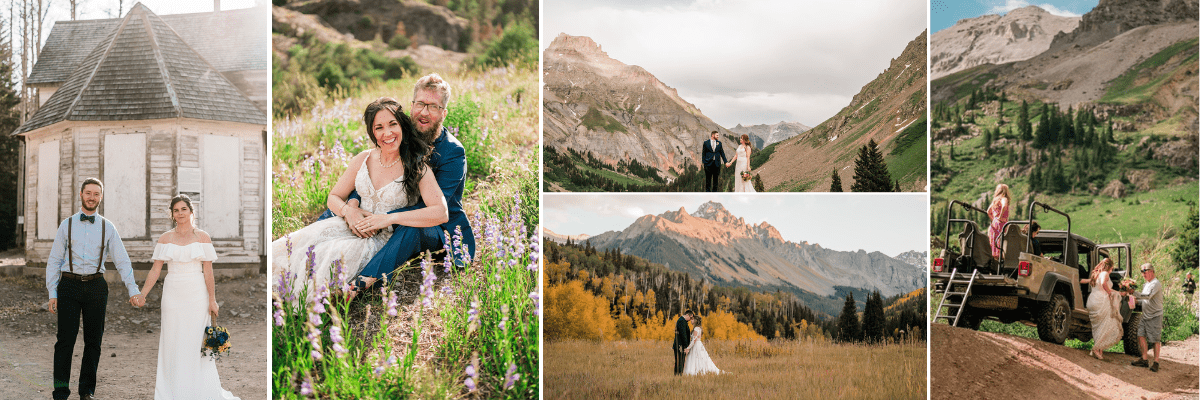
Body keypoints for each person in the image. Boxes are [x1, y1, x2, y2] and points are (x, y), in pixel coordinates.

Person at [272, 97, 446, 300]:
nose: (387, 133)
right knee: (299, 246)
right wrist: (349, 211)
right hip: (348, 224)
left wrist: (389, 218)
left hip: (380, 239)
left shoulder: (417, 167)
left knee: (332, 257)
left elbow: (440, 212)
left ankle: (318, 299)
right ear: (372, 132)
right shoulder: (363, 158)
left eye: (393, 124)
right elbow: (334, 197)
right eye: (379, 127)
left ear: (403, 126)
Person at [317, 74, 476, 293]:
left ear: (443, 112)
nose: (424, 112)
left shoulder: (453, 152)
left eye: (433, 106)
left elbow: (433, 209)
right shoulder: (397, 132)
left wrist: (382, 217)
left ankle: (359, 285)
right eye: (420, 104)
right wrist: (353, 205)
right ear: (412, 106)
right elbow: (375, 173)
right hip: (387, 213)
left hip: (434, 226)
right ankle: (307, 255)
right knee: (334, 212)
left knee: (411, 230)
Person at [46, 178, 145, 400]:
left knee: (94, 341)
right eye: (88, 193)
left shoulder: (108, 227)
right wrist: (52, 292)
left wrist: (133, 290)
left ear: (101, 197)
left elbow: (122, 261)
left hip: (96, 287)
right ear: (81, 194)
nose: (92, 197)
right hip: (69, 286)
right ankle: (60, 392)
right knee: (65, 341)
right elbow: (54, 260)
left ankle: (86, 391)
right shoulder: (67, 224)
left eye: (96, 194)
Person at [138, 194, 239, 399]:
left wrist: (212, 299)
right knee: (172, 341)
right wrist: (142, 294)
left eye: (184, 209)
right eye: (176, 210)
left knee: (195, 342)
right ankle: (171, 391)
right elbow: (156, 270)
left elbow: (208, 272)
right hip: (173, 292)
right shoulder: (165, 238)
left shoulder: (202, 237)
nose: (180, 213)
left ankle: (197, 390)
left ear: (191, 212)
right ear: (172, 214)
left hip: (196, 292)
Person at [1083, 259, 1121, 360]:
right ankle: (1096, 349)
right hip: (1101, 300)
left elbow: (1085, 281)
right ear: (1110, 267)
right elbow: (1104, 283)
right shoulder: (1104, 273)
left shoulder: (1096, 274)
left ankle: (1099, 350)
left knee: (1099, 326)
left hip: (1092, 299)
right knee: (1105, 325)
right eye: (1112, 268)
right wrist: (1109, 292)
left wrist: (1116, 292)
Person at [1129, 264, 1164, 372]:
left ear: (1152, 271)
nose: (1143, 273)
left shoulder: (1155, 284)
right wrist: (1136, 301)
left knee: (1155, 339)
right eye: (1142, 271)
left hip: (1155, 315)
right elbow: (1145, 300)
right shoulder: (1146, 284)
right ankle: (1144, 359)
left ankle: (1156, 362)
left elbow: (1148, 296)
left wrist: (1133, 292)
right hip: (1145, 315)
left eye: (1145, 271)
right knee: (1140, 335)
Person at [986, 184, 1011, 258]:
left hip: (994, 224)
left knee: (993, 243)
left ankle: (994, 261)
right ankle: (1001, 262)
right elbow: (1004, 206)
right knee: (1001, 244)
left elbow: (988, 212)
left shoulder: (995, 200)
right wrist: (1000, 217)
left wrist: (994, 219)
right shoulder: (1004, 199)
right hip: (1001, 224)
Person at [673, 310, 693, 375]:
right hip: (680, 345)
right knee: (679, 361)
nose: (690, 320)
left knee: (681, 361)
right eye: (690, 318)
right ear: (687, 315)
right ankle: (678, 375)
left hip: (680, 344)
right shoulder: (682, 321)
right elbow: (683, 334)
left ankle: (678, 375)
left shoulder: (683, 321)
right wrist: (687, 346)